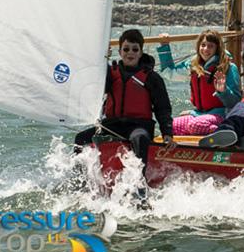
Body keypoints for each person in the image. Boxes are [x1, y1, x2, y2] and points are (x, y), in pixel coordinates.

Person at [74, 29, 174, 177]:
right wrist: (100, 60)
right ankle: (79, 181)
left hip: (138, 126)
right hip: (112, 125)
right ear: (120, 52)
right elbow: (95, 86)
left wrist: (167, 133)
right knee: (80, 138)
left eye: (135, 49)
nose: (130, 53)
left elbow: (162, 108)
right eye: (126, 49)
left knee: (139, 139)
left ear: (140, 52)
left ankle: (139, 184)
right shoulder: (109, 73)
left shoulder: (152, 78)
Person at [156, 30, 241, 135]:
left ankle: (225, 133)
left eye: (210, 46)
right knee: (171, 127)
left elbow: (235, 103)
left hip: (222, 114)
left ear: (217, 48)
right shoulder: (193, 65)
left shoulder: (229, 68)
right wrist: (164, 46)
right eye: (203, 45)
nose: (205, 49)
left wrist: (223, 91)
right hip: (199, 114)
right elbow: (170, 73)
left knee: (196, 125)